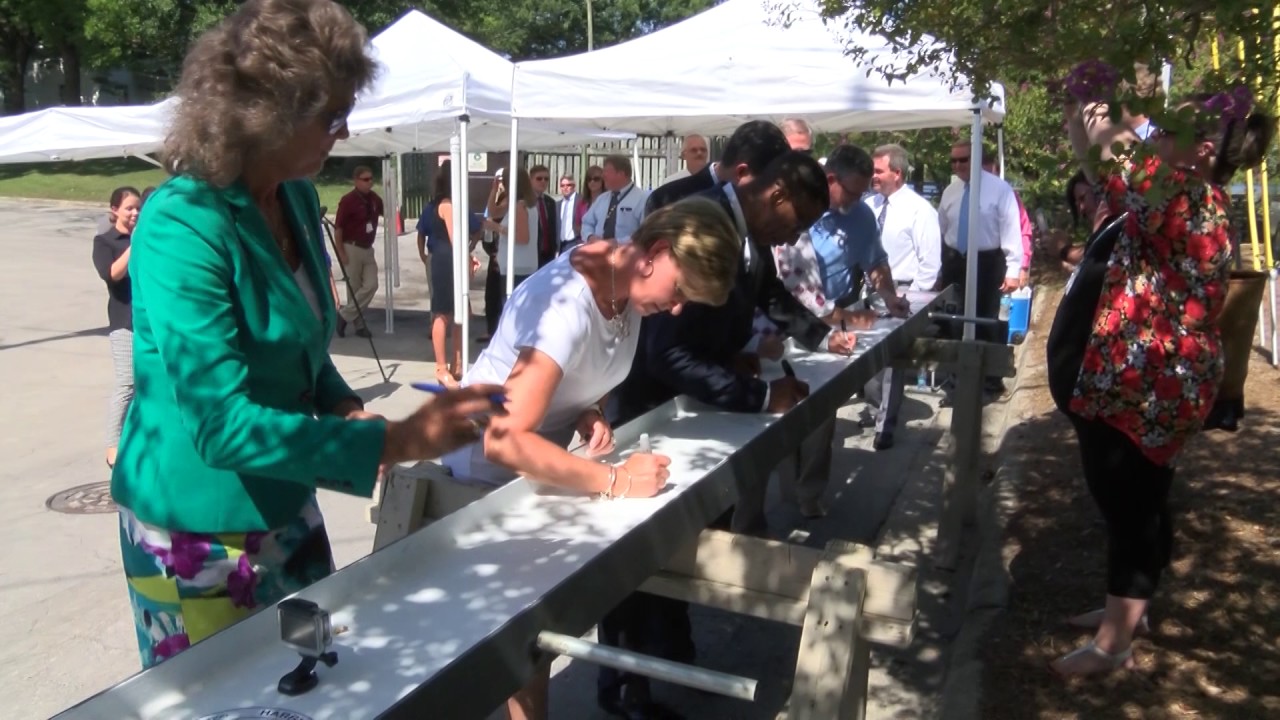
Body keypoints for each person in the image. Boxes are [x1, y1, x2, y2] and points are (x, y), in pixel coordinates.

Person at [111, 0, 507, 670]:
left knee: (316, 676)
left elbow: (303, 344)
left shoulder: (293, 195)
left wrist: (343, 405)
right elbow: (219, 426)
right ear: (266, 114)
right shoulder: (183, 223)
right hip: (197, 529)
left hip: (286, 502)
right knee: (228, 700)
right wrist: (394, 440)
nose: (344, 129)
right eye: (330, 115)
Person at [441, 198, 742, 720]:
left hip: (534, 477)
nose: (676, 309)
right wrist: (617, 480)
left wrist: (588, 411)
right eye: (680, 292)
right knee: (513, 649)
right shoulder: (567, 306)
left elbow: (582, 373)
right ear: (657, 253)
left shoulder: (626, 284)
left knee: (527, 645)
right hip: (479, 477)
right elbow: (505, 440)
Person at [1048, 90, 1274, 676]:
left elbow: (1113, 154)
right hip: (1145, 377)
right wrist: (1086, 111)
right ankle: (1127, 611)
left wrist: (1098, 101)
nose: (1157, 136)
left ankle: (1113, 645)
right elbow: (1102, 163)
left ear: (1202, 148)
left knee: (1130, 501)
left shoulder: (1186, 197)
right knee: (1131, 496)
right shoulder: (1186, 194)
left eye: (1171, 129)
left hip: (1150, 382)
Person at [417, 160, 480, 387]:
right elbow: (456, 240)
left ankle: (457, 362)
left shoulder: (441, 204)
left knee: (456, 312)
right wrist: (469, 259)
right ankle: (441, 367)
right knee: (443, 313)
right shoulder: (448, 205)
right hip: (446, 261)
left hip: (445, 259)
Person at [92, 186, 141, 468]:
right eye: (129, 208)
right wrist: (135, 243)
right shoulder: (106, 241)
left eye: (137, 208)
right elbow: (112, 274)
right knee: (126, 384)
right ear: (114, 210)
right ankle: (113, 447)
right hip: (124, 322)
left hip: (150, 321)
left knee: (150, 383)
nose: (134, 213)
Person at [334, 164, 383, 338]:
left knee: (371, 284)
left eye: (371, 179)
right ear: (356, 181)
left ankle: (344, 315)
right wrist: (341, 251)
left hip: (367, 247)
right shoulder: (348, 200)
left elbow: (386, 210)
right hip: (351, 247)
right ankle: (360, 325)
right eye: (365, 179)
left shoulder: (374, 199)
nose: (369, 183)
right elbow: (338, 228)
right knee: (353, 288)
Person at [581, 155, 650, 242]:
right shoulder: (602, 199)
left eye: (606, 171)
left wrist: (617, 242)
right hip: (597, 252)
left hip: (626, 253)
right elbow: (587, 222)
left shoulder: (643, 199)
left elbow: (646, 232)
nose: (603, 176)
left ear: (621, 174)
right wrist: (590, 237)